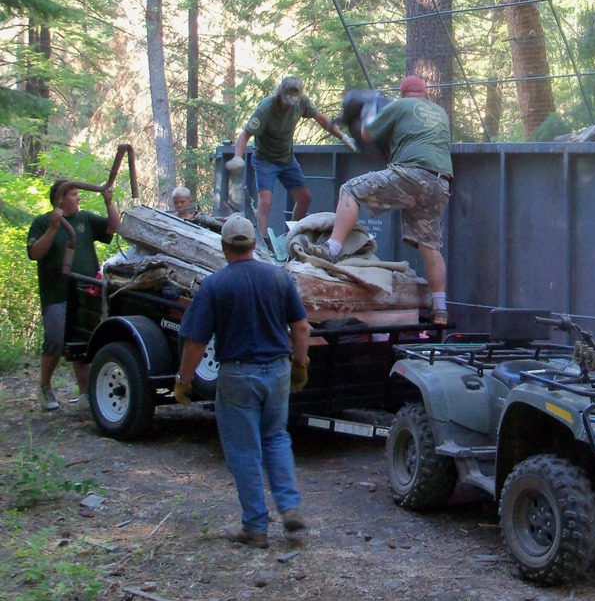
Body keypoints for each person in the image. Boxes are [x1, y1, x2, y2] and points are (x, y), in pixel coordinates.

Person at [174, 215, 311, 548]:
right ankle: (290, 506)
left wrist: (184, 379)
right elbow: (302, 327)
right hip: (277, 370)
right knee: (276, 438)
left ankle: (255, 527)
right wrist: (300, 362)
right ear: (253, 245)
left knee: (244, 450)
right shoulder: (279, 277)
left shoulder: (214, 285)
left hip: (238, 374)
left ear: (224, 247)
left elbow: (195, 341)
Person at [298, 75, 453, 325]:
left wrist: (370, 107)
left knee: (350, 190)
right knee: (430, 247)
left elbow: (368, 134)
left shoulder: (400, 105)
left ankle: (331, 249)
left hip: (411, 174)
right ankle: (440, 309)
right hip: (440, 183)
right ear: (424, 93)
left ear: (403, 93)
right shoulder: (440, 113)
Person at [226, 76, 358, 239]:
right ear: (280, 95)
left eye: (292, 103)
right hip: (265, 160)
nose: (289, 106)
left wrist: (343, 137)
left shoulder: (302, 102)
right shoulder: (266, 108)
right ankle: (261, 241)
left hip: (286, 158)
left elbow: (321, 118)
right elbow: (245, 135)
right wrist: (238, 157)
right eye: (286, 102)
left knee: (304, 198)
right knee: (265, 202)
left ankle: (292, 235)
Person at [27, 180, 120, 410]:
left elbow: (112, 227)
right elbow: (35, 253)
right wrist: (53, 227)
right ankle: (45, 387)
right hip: (57, 293)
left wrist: (109, 202)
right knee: (56, 340)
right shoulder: (42, 222)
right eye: (74, 194)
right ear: (60, 199)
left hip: (86, 293)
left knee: (85, 343)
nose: (79, 198)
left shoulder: (85, 219)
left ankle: (85, 394)